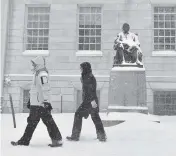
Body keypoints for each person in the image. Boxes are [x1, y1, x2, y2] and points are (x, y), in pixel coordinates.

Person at [11, 56, 63, 147]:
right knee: (44, 122)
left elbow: (45, 88)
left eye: (33, 64)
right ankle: (57, 139)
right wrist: (30, 101)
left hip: (41, 104)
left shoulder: (42, 74)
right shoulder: (37, 73)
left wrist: (46, 101)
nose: (32, 65)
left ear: (38, 64)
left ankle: (25, 141)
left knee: (37, 122)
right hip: (36, 103)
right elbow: (35, 89)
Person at [66, 62, 107, 142]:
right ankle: (101, 136)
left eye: (81, 68)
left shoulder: (88, 77)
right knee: (95, 117)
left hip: (89, 101)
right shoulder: (88, 76)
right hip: (91, 101)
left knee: (78, 114)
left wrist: (92, 103)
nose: (80, 70)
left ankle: (75, 136)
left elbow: (90, 91)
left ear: (85, 68)